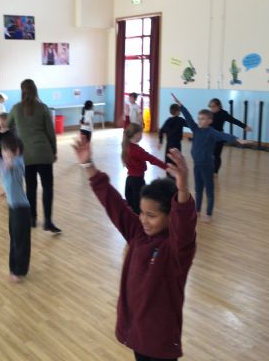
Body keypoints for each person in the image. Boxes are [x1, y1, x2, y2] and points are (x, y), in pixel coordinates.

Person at [73, 137, 197, 361]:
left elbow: (185, 227)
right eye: (142, 213)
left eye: (152, 215)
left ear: (171, 216)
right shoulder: (138, 234)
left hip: (159, 341)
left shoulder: (177, 250)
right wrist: (89, 166)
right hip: (136, 334)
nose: (144, 220)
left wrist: (182, 188)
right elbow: (115, 204)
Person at [172, 93, 247, 223]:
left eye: (203, 119)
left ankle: (209, 214)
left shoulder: (212, 132)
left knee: (209, 190)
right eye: (199, 118)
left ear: (210, 121)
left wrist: (237, 139)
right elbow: (188, 117)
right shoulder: (195, 129)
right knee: (198, 189)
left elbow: (224, 136)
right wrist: (181, 106)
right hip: (197, 165)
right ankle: (197, 211)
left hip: (207, 165)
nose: (200, 121)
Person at [8, 79, 61, 233]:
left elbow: (8, 125)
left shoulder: (16, 108)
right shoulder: (43, 108)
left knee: (30, 188)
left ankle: (32, 219)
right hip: (44, 153)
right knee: (47, 187)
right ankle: (48, 221)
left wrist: (16, 138)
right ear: (35, 90)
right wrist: (54, 151)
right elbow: (51, 133)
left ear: (22, 91)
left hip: (26, 156)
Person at [0, 132, 31, 283]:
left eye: (6, 150)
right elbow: (0, 165)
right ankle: (14, 269)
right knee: (14, 239)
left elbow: (5, 165)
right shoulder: (6, 162)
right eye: (2, 150)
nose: (3, 153)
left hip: (21, 209)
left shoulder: (18, 162)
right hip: (13, 208)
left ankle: (19, 271)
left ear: (16, 151)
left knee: (20, 241)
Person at [122, 123, 167, 214]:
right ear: (136, 135)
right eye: (141, 133)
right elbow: (152, 159)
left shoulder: (126, 146)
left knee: (131, 205)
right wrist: (166, 167)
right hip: (137, 182)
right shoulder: (137, 150)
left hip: (129, 180)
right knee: (138, 207)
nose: (141, 135)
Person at [208, 98, 252, 174]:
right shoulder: (209, 114)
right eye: (210, 107)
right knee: (210, 155)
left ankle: (215, 172)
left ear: (219, 106)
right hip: (210, 137)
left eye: (213, 106)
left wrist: (244, 126)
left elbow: (234, 120)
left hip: (220, 137)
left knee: (216, 155)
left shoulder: (223, 114)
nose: (212, 109)